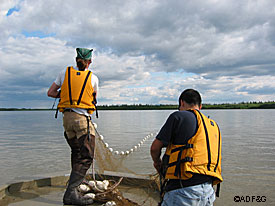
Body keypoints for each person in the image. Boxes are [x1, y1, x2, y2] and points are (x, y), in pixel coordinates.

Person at [150, 89, 223, 206]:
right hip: (208, 191)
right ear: (200, 106)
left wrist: (157, 163)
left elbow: (155, 148)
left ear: (182, 103)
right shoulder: (212, 125)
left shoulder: (178, 116)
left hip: (183, 191)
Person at [48, 48, 99, 205]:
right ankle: (71, 193)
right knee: (87, 156)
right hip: (81, 120)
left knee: (76, 152)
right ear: (89, 62)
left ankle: (74, 189)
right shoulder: (93, 78)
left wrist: (65, 95)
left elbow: (50, 92)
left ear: (76, 59)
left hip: (67, 120)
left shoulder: (64, 72)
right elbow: (94, 98)